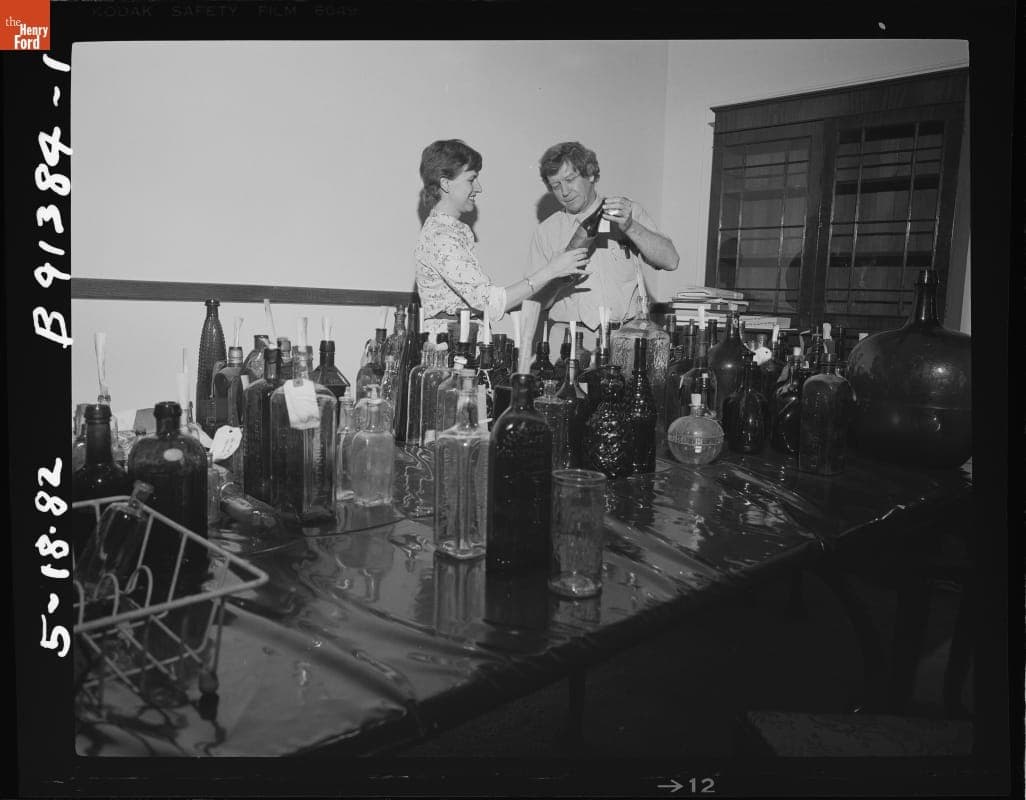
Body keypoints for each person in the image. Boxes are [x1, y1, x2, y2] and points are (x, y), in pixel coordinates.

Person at [415, 139, 589, 340]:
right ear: (445, 183)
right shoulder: (441, 237)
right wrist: (552, 270)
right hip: (450, 350)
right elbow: (489, 302)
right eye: (471, 179)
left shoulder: (449, 231)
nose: (478, 188)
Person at [528, 141, 679, 349]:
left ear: (590, 174)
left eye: (570, 180)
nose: (564, 192)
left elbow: (671, 261)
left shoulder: (627, 212)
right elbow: (536, 303)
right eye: (556, 186)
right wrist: (557, 277)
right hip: (567, 339)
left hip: (625, 337)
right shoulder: (546, 232)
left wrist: (630, 227)